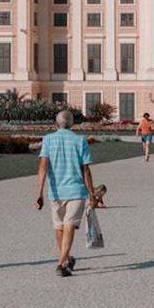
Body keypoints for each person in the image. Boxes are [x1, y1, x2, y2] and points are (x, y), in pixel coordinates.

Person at [35, 110, 95, 277]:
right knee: (67, 225)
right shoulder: (80, 140)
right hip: (76, 190)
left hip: (56, 190)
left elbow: (43, 166)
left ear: (56, 124)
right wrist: (91, 193)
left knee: (61, 225)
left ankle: (63, 261)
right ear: (72, 125)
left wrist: (39, 192)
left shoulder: (48, 140)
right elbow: (86, 170)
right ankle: (64, 261)